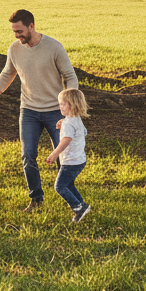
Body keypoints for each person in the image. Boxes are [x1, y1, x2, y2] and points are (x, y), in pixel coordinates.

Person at [0, 8, 79, 212]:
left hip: (55, 111)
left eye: (20, 31)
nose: (17, 35)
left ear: (31, 26)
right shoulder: (15, 49)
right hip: (29, 111)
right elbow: (7, 74)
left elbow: (70, 76)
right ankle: (36, 199)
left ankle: (71, 199)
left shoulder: (53, 47)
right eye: (14, 32)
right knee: (28, 156)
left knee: (63, 156)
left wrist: (71, 107)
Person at [47, 88, 92, 222]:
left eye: (62, 104)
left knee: (59, 186)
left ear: (72, 105)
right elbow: (83, 132)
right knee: (69, 185)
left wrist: (54, 153)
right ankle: (83, 205)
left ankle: (77, 207)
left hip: (70, 162)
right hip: (80, 160)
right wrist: (64, 123)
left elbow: (66, 140)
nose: (60, 106)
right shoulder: (75, 119)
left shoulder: (68, 123)